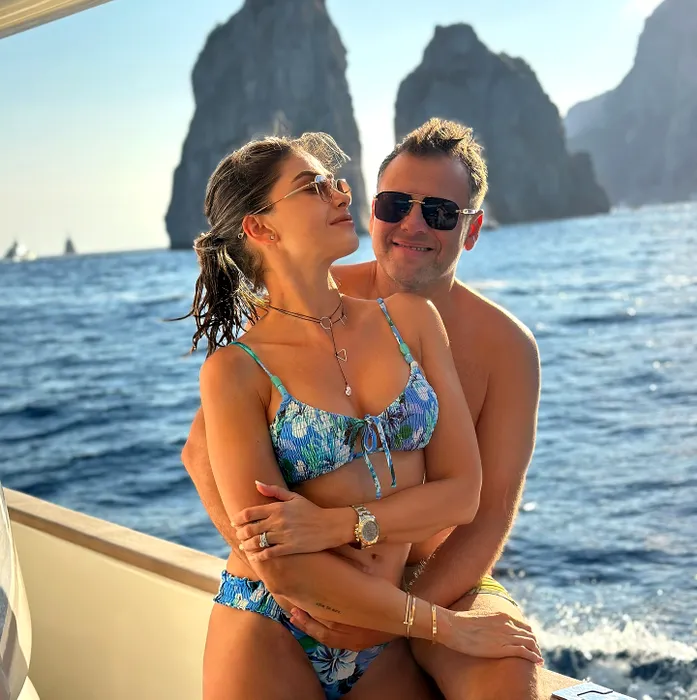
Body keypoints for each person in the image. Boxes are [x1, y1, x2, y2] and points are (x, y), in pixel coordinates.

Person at [183, 119, 582, 699]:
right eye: (395, 205)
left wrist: (398, 614)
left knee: (509, 669)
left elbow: (487, 508)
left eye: (439, 213)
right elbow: (205, 459)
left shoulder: (502, 345)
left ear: (471, 230)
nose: (412, 225)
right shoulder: (301, 300)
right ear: (376, 211)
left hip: (440, 577)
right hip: (297, 600)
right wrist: (295, 580)